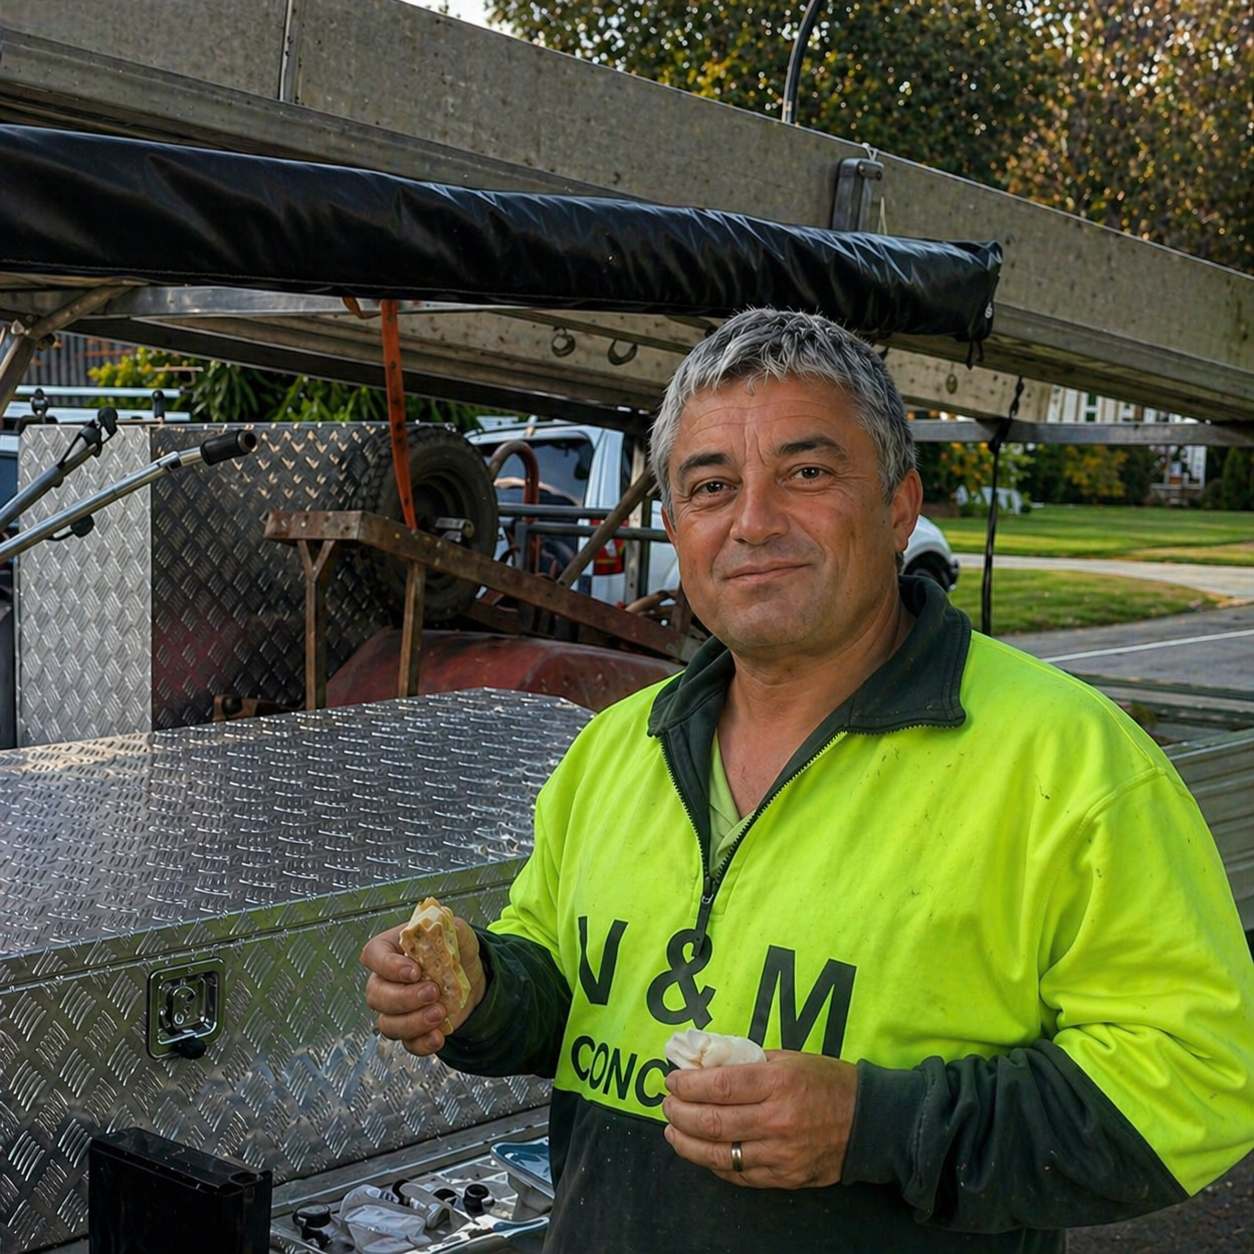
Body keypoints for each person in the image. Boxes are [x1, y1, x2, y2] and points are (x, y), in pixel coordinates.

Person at [362, 308, 1254, 1253]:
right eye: (713, 485)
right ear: (677, 525)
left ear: (900, 506)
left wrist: (876, 1128)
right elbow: (566, 985)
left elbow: (1199, 1080)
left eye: (808, 473)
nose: (754, 521)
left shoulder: (1069, 762)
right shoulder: (613, 751)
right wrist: (481, 992)